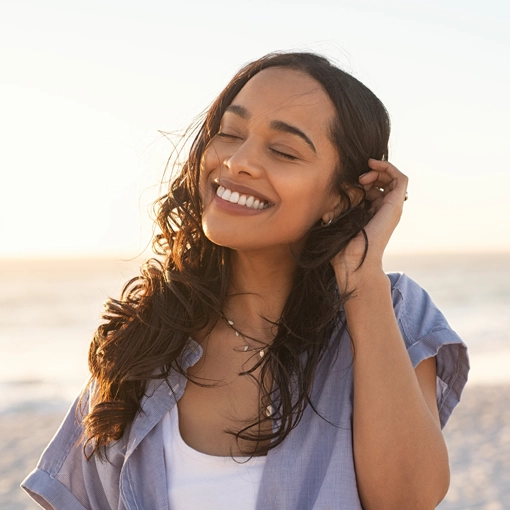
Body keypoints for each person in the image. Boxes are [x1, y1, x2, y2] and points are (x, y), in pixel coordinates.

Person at [22, 52, 469, 510]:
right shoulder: (143, 339)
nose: (238, 162)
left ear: (340, 197)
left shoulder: (389, 311)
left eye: (283, 151)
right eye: (230, 134)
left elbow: (408, 500)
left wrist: (362, 280)